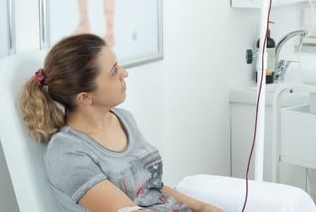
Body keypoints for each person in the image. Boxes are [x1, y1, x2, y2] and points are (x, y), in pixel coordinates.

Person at [21, 34, 223, 212]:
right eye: (113, 71)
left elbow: (150, 187)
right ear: (84, 98)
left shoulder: (123, 118)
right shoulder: (66, 152)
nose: (124, 73)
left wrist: (203, 207)